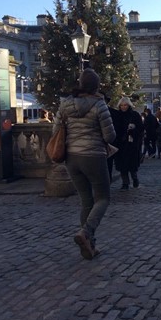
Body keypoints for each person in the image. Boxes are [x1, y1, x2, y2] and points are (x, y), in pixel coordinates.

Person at [54, 69, 116, 260]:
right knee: (103, 198)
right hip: (93, 156)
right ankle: (86, 232)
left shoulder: (65, 105)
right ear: (96, 86)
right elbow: (110, 136)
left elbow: (55, 130)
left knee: (86, 201)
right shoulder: (99, 104)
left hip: (72, 158)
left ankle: (90, 246)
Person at [112, 97, 144, 189]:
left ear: (128, 105)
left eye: (125, 105)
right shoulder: (118, 115)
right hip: (120, 143)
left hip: (131, 144)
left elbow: (141, 128)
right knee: (122, 165)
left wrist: (134, 130)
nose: (123, 107)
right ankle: (125, 183)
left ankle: (135, 179)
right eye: (121, 105)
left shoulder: (134, 115)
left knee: (132, 164)